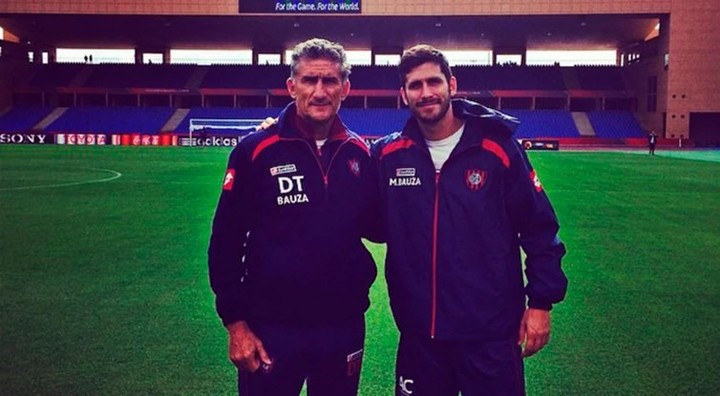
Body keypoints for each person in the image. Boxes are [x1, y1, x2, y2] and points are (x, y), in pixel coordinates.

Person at [371, 44, 568, 396]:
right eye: (415, 85)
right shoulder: (387, 155)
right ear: (403, 95)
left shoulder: (499, 150)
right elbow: (357, 209)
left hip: (490, 335)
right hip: (420, 336)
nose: (426, 92)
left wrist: (540, 302)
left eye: (434, 82)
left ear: (452, 85)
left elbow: (539, 227)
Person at [208, 38, 378, 396]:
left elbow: (379, 225)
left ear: (345, 89)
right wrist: (236, 325)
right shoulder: (255, 151)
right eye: (309, 80)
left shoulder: (359, 154)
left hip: (342, 326)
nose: (320, 91)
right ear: (291, 86)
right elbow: (225, 242)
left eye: (330, 81)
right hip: (272, 328)